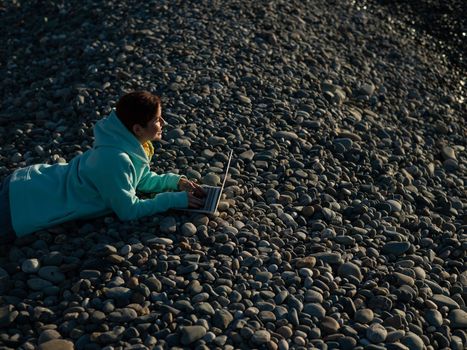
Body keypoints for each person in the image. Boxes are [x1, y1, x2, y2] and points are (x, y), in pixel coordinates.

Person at [0, 91, 205, 241]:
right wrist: (172, 200)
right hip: (23, 203)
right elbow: (129, 210)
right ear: (137, 128)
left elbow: (140, 179)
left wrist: (175, 183)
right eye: (157, 119)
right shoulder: (116, 159)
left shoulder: (127, 142)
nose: (163, 123)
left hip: (32, 183)